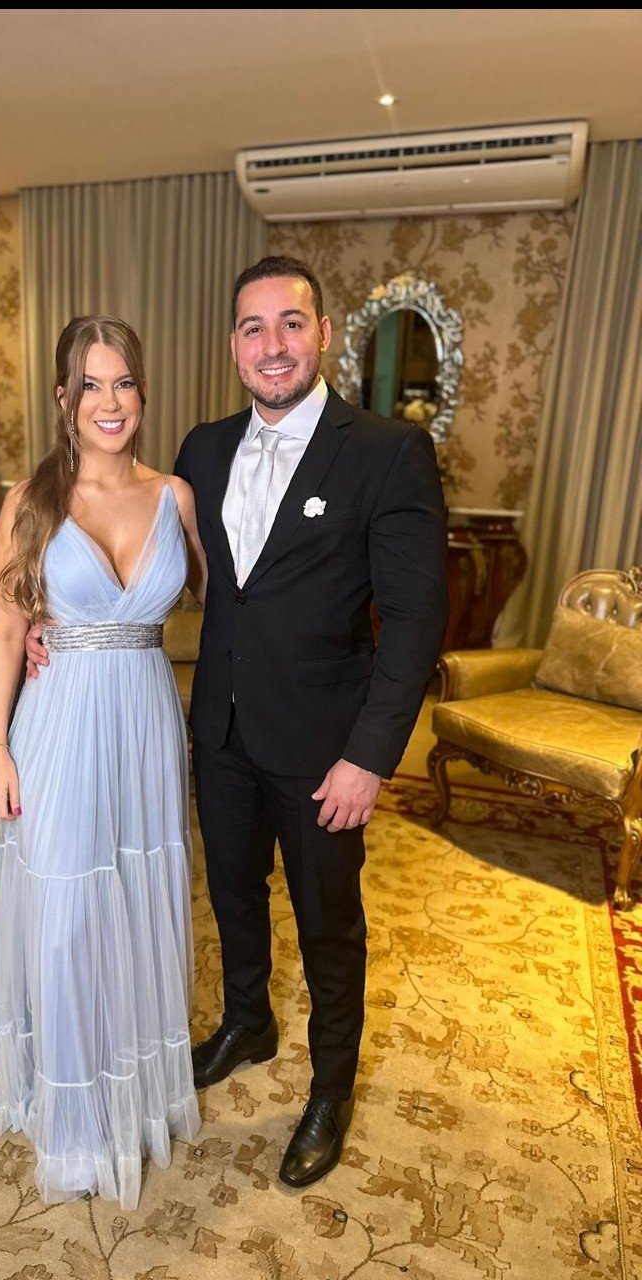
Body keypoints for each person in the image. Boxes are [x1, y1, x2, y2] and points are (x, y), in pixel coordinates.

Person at [27, 256, 448, 1189]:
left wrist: (370, 757)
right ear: (233, 345)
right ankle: (248, 1021)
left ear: (322, 334)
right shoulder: (203, 450)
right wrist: (52, 624)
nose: (273, 344)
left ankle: (330, 1089)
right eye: (254, 328)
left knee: (329, 922)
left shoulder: (385, 451)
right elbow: (166, 576)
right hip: (215, 731)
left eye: (291, 323)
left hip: (324, 749)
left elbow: (417, 621)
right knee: (232, 895)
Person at [0, 315, 206, 1210]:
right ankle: (74, 1121)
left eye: (123, 383)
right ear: (63, 399)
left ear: (141, 393)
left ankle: (135, 1094)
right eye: (90, 386)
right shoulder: (29, 502)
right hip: (60, 722)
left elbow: (228, 600)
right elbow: (7, 630)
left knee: (139, 900)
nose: (109, 402)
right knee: (70, 914)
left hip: (146, 721)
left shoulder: (177, 497)